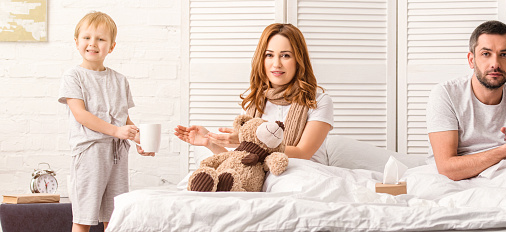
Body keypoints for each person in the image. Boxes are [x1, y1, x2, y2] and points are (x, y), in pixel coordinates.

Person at [174, 23, 333, 164]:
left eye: (285, 55)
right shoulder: (253, 102)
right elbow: (240, 161)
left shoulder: (318, 101)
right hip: (263, 181)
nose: (276, 64)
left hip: (307, 177)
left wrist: (246, 141)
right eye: (269, 55)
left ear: (299, 60)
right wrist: (210, 141)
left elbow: (303, 153)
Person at [58, 11, 155, 232]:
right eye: (87, 38)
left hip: (117, 155)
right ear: (77, 42)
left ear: (111, 46)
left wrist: (141, 140)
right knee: (84, 217)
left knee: (115, 217)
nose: (93, 43)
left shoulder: (120, 80)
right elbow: (80, 114)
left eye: (101, 39)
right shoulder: (73, 76)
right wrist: (117, 131)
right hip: (89, 153)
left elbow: (125, 120)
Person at [426, 20, 506, 181]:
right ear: (471, 60)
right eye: (486, 54)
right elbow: (447, 169)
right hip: (458, 182)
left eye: (504, 55)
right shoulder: (446, 95)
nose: (495, 64)